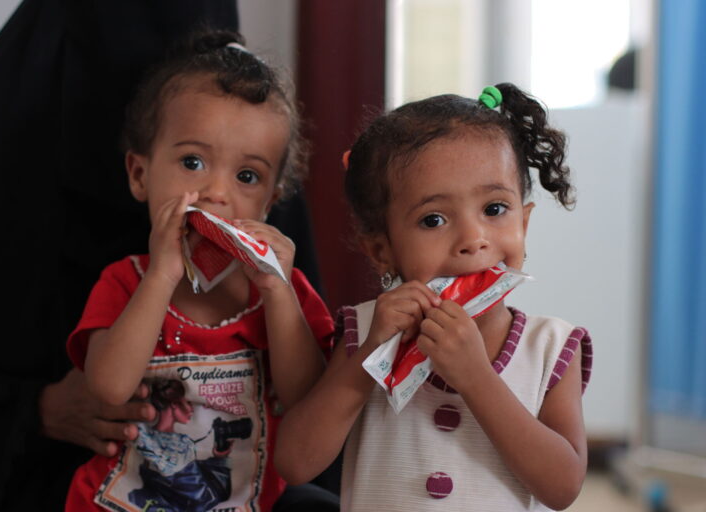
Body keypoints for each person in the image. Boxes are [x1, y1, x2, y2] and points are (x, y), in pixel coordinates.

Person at [274, 84, 594, 511]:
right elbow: (295, 464)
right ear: (381, 251)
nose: (473, 239)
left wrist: (476, 377)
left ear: (525, 222)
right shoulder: (362, 333)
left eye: (495, 209)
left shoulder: (550, 348)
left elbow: (563, 487)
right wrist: (371, 355)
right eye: (434, 219)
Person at [63, 29, 335, 512]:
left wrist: (277, 291)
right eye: (192, 162)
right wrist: (162, 275)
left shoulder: (285, 292)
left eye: (246, 176)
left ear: (270, 201)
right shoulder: (126, 280)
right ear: (140, 175)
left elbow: (308, 400)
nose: (216, 192)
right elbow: (107, 387)